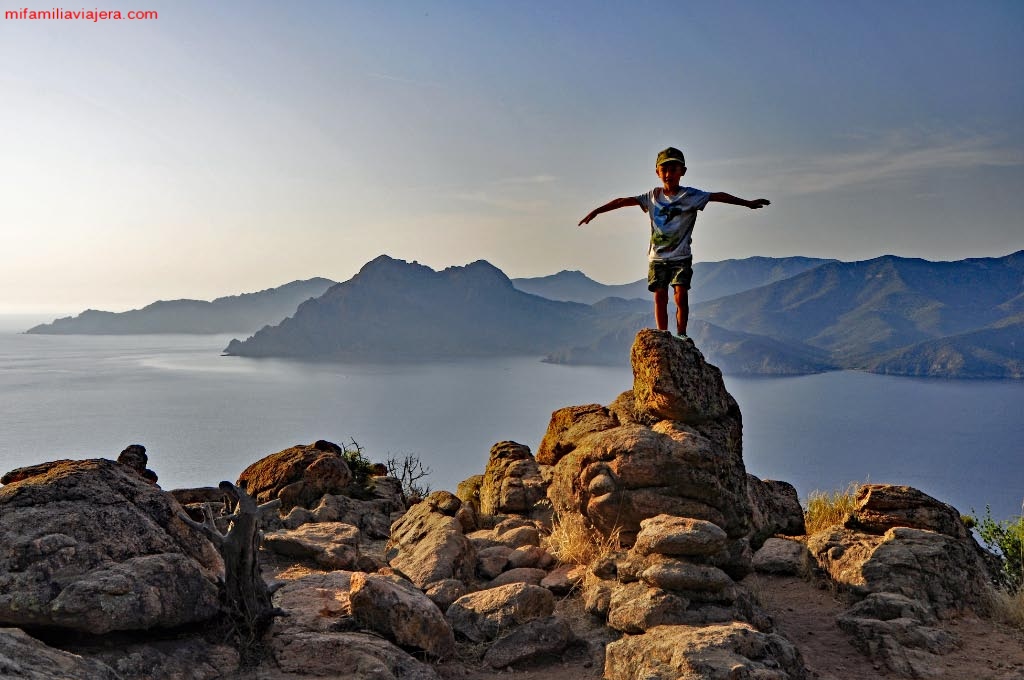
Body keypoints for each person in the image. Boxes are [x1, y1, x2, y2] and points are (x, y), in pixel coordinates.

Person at [578, 146, 770, 341]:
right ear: (657, 172)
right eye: (664, 170)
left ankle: (682, 335)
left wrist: (747, 203)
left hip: (681, 257)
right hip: (657, 258)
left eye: (673, 169)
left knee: (681, 295)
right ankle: (663, 335)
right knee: (660, 297)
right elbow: (622, 201)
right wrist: (596, 211)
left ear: (682, 172)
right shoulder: (652, 196)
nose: (668, 174)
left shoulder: (691, 196)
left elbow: (718, 196)